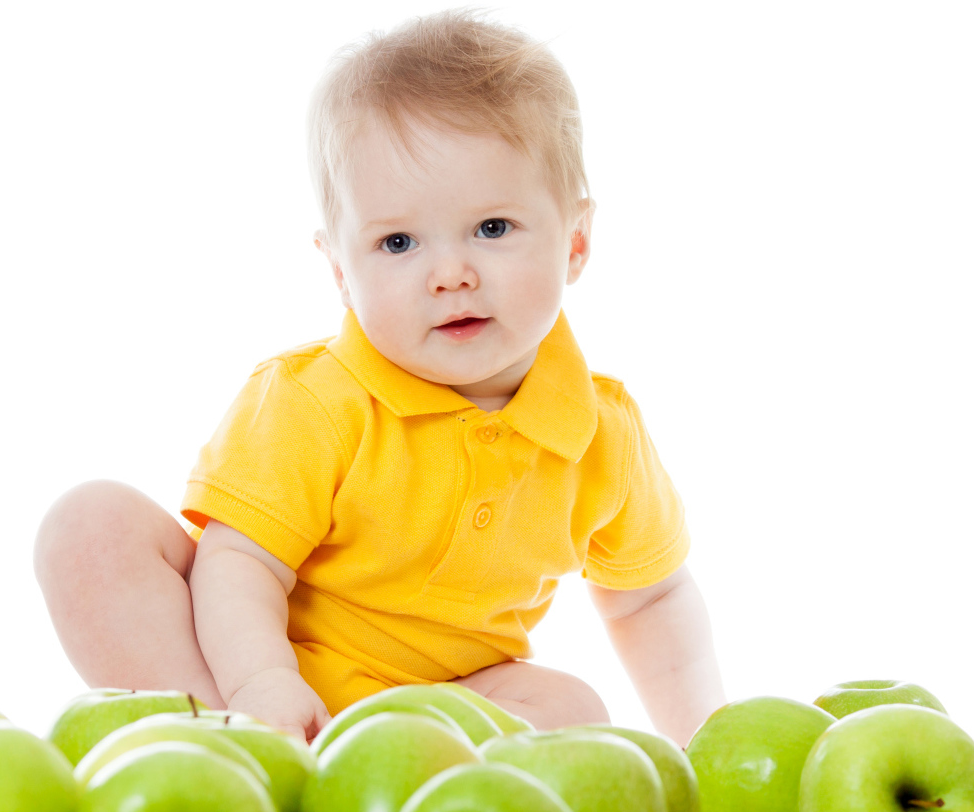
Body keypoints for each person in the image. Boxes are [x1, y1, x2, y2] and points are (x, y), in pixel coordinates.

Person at [35, 9, 725, 748]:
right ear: (340, 270)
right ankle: (234, 749)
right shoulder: (316, 401)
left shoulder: (601, 433)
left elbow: (650, 602)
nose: (451, 274)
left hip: (442, 705)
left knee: (575, 712)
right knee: (90, 529)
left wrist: (707, 745)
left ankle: (384, 785)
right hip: (255, 668)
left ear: (577, 242)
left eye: (492, 229)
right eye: (398, 242)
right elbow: (238, 565)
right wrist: (261, 686)